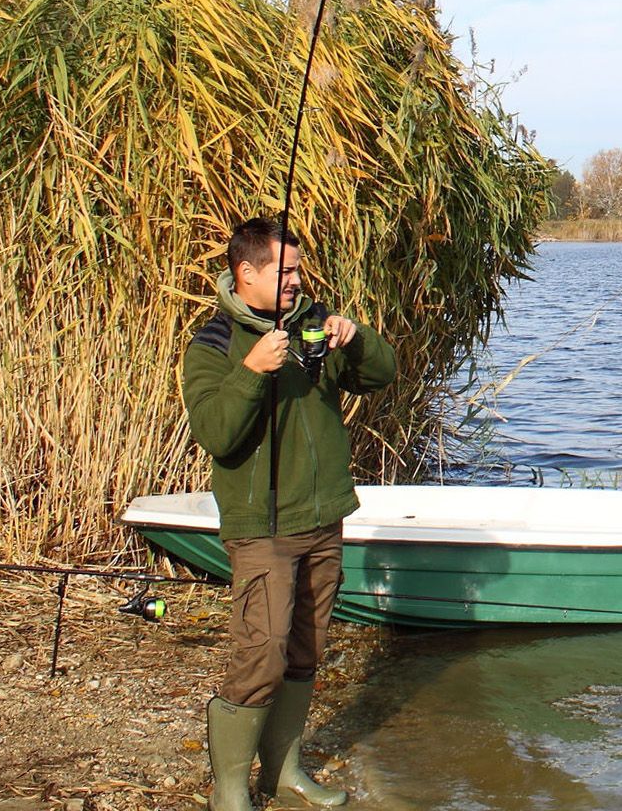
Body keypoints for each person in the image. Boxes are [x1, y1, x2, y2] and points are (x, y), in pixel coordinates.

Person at [181, 216, 397, 811]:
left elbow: (382, 374)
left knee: (306, 649)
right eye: (286, 271)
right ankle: (229, 791)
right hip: (264, 529)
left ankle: (285, 773)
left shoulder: (311, 325)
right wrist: (254, 372)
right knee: (260, 654)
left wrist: (355, 339)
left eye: (299, 269)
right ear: (245, 273)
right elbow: (216, 434)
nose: (297, 281)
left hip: (324, 515)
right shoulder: (215, 346)